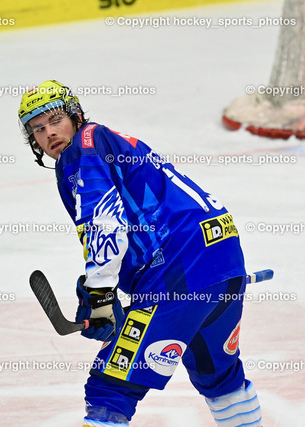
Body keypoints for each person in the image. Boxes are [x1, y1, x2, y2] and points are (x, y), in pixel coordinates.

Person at [18, 80, 262, 427]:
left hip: (180, 268)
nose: (49, 134)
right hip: (223, 257)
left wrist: (100, 292)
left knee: (110, 388)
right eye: (37, 129)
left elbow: (103, 222)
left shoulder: (82, 151)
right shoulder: (106, 141)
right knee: (218, 377)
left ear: (75, 116)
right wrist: (104, 286)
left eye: (55, 120)